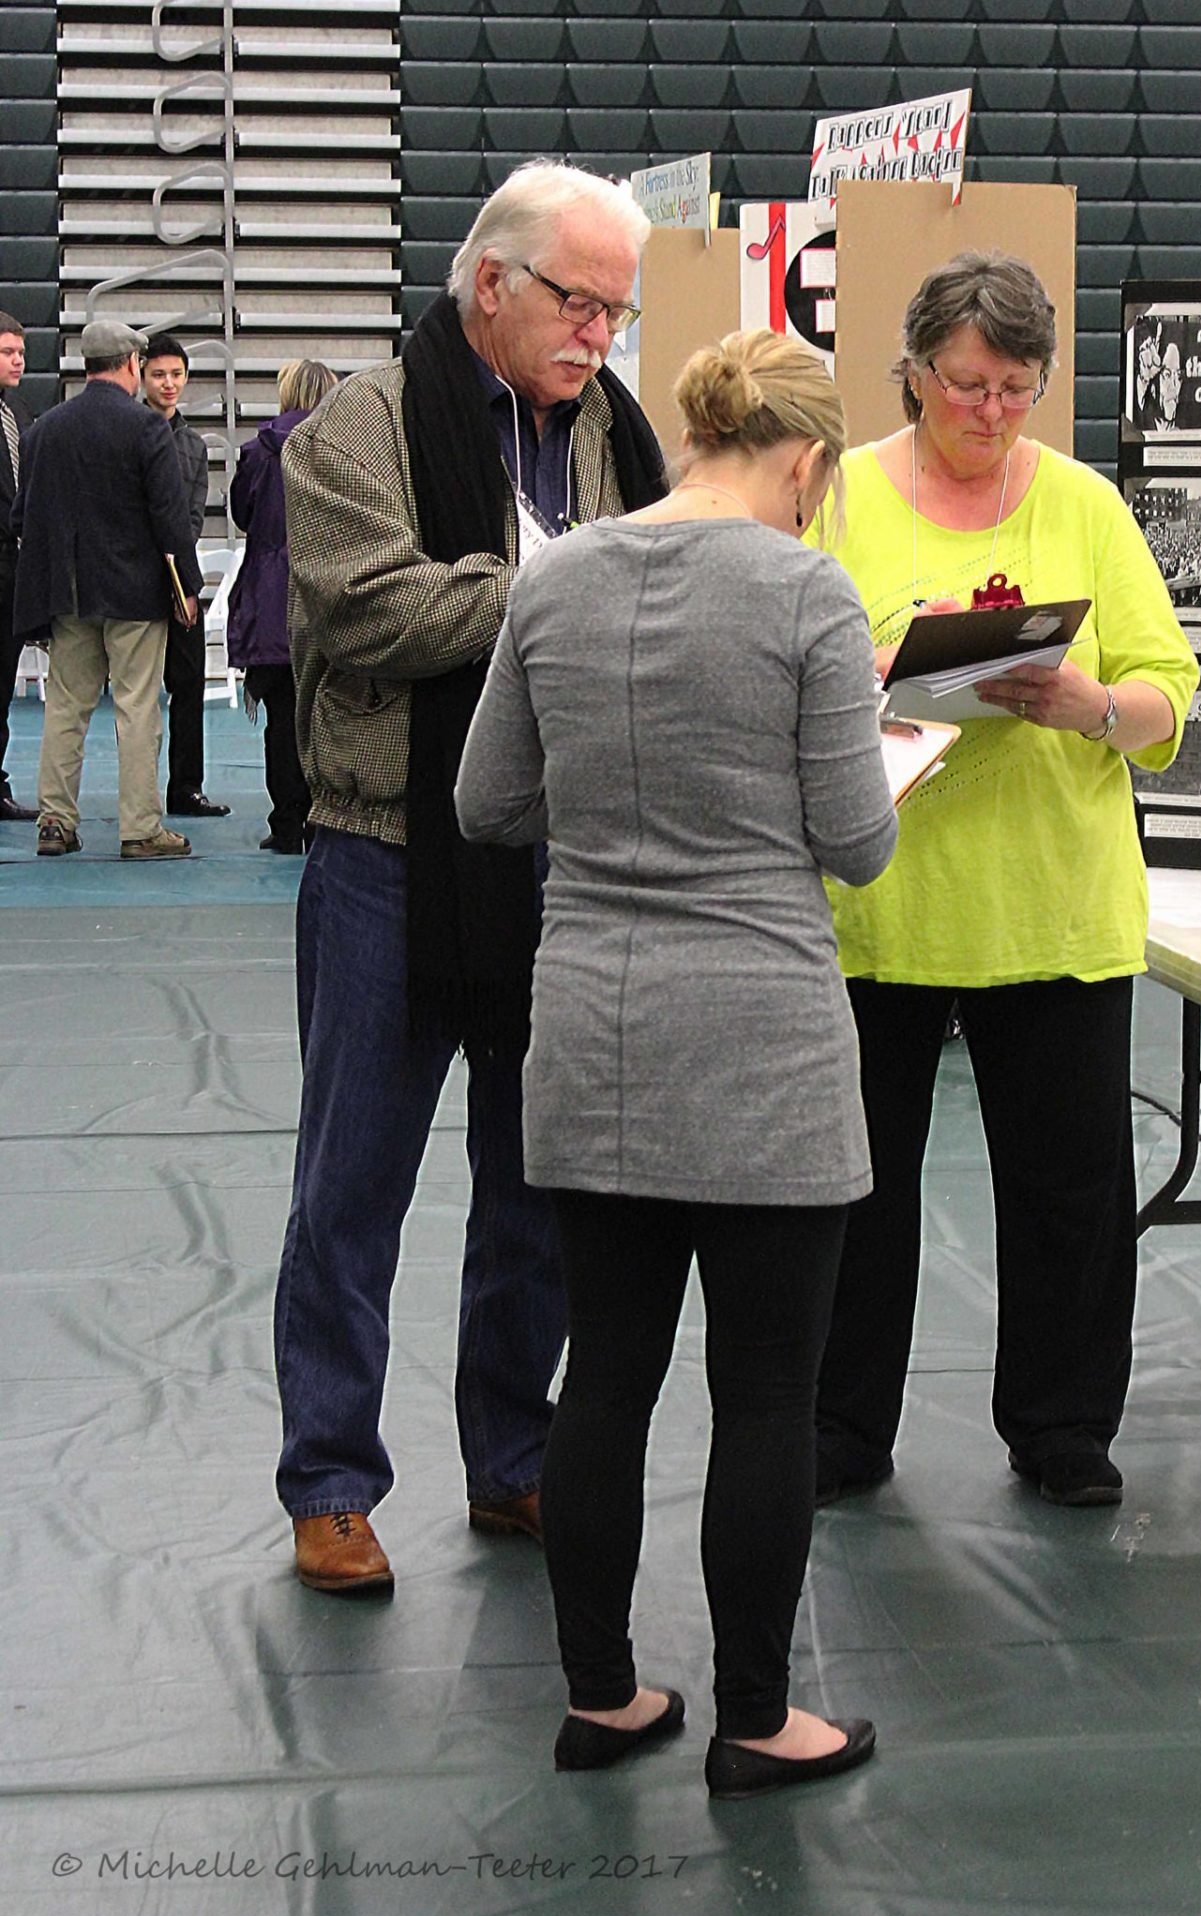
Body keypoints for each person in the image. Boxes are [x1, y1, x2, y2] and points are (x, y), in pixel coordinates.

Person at [455, 328, 895, 1798]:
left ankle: (602, 1698)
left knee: (603, 1380)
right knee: (766, 1396)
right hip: (763, 1039)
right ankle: (757, 1719)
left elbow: (487, 801)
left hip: (593, 1029)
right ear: (808, 463)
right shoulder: (808, 591)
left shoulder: (556, 578)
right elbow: (857, 841)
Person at [273, 162, 667, 1596]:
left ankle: (513, 1456)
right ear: (491, 283)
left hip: (565, 858)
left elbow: (654, 598)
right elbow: (366, 608)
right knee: (352, 1185)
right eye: (580, 302)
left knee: (541, 1185)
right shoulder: (362, 423)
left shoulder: (615, 434)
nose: (600, 336)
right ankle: (330, 1481)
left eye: (618, 312)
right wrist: (570, 581)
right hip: (387, 854)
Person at [811, 251, 1198, 1510]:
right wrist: (875, 679)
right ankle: (841, 1427)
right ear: (915, 370)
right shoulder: (843, 498)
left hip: (1053, 900)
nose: (992, 411)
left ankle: (1064, 1426)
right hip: (883, 899)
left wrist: (1093, 705)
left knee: (1072, 1187)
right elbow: (786, 666)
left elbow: (1169, 695)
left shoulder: (1087, 505)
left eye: (1019, 389)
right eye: (968, 384)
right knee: (857, 1186)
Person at [14, 317, 202, 860]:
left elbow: (23, 517)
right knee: (137, 707)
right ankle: (140, 828)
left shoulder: (44, 429)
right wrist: (187, 587)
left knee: (65, 708)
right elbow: (170, 518)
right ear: (131, 364)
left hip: (69, 592)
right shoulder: (147, 429)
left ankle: (55, 821)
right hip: (136, 594)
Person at [227, 358, 336, 853]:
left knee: (282, 718)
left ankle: (287, 821)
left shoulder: (258, 451)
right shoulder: (342, 446)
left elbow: (243, 513)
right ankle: (324, 817)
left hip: (270, 595)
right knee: (329, 715)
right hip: (326, 590)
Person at [140, 334, 229, 821]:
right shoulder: (130, 433)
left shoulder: (193, 445)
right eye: (159, 375)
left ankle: (187, 787)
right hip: (132, 579)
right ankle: (138, 792)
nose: (168, 383)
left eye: (176, 374)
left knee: (189, 683)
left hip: (179, 576)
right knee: (134, 694)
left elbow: (191, 521)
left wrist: (185, 586)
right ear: (142, 377)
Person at [0, 309, 36, 821]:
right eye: (7, 352)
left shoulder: (19, 412)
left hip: (11, 568)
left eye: (21, 353)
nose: (18, 361)